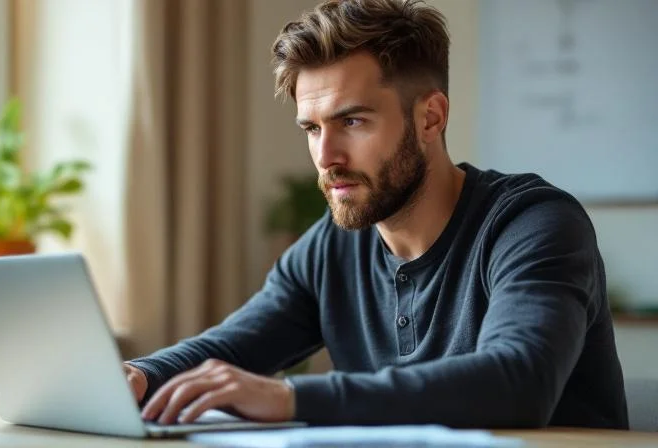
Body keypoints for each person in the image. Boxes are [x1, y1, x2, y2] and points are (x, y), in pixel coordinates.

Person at [123, 0, 629, 429]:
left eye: (353, 121)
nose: (326, 157)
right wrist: (140, 374)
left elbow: (519, 380)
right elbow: (230, 350)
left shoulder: (533, 224)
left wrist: (291, 399)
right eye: (312, 129)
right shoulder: (333, 247)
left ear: (430, 117)